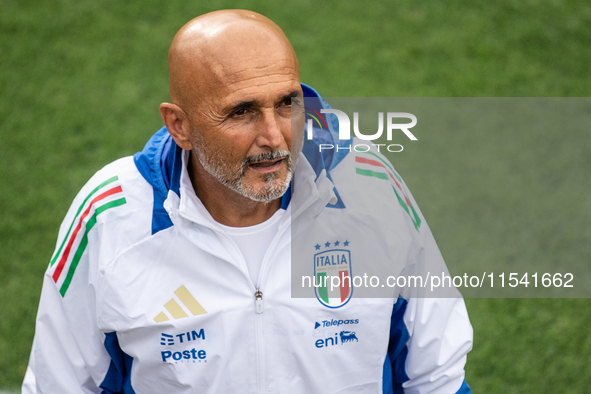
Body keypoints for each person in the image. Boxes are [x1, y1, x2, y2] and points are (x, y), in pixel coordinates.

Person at [23, 9, 473, 394]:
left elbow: (439, 375)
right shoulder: (111, 215)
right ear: (180, 125)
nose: (275, 138)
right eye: (241, 111)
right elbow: (59, 383)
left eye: (286, 103)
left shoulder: (371, 189)